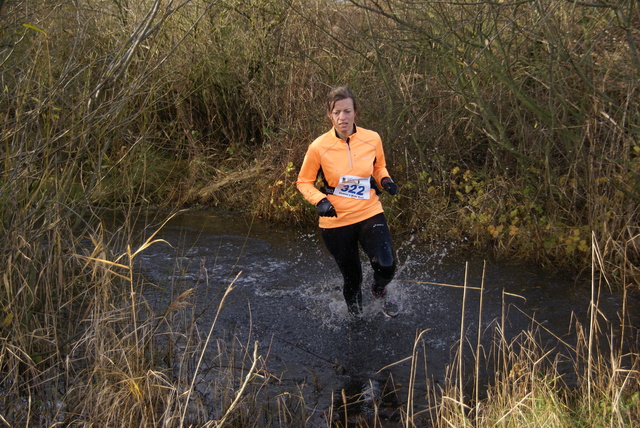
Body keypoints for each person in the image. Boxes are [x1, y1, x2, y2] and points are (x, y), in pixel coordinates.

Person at [296, 86, 399, 317]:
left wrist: (385, 181)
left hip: (369, 211)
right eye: (336, 112)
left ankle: (379, 289)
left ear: (355, 112)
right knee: (352, 279)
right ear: (329, 115)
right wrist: (320, 201)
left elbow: (378, 167)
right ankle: (357, 321)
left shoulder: (372, 138)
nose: (342, 117)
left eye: (347, 111)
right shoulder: (318, 147)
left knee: (386, 264)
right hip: (336, 221)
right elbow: (303, 182)